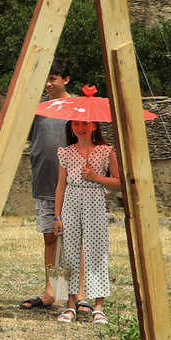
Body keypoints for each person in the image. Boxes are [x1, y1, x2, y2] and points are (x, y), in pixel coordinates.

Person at [53, 116, 119, 323]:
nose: (80, 128)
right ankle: (71, 305)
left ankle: (98, 306)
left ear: (94, 125)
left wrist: (96, 178)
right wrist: (57, 216)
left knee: (97, 251)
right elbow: (61, 186)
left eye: (85, 123)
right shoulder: (66, 152)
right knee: (70, 254)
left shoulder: (106, 151)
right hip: (70, 204)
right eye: (76, 124)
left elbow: (119, 182)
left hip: (95, 202)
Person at [20, 64, 73, 311]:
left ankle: (76, 294)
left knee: (74, 239)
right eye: (46, 79)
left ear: (66, 80)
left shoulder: (77, 106)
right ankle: (50, 291)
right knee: (50, 237)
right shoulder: (38, 108)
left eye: (53, 79)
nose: (49, 84)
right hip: (43, 180)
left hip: (72, 184)